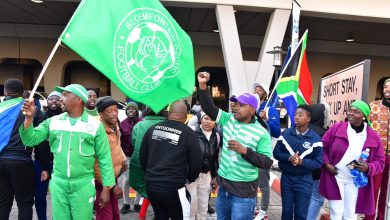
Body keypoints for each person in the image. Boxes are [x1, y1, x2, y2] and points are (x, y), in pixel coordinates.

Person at [19, 84, 115, 219]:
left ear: (78, 99)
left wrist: (106, 188)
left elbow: (104, 158)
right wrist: (29, 118)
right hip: (58, 185)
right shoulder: (53, 122)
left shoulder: (95, 126)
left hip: (83, 186)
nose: (60, 98)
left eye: (65, 95)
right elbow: (30, 140)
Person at [198, 72, 273, 219]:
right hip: (224, 188)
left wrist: (244, 151)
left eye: (241, 105)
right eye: (236, 104)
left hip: (244, 193)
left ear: (252, 110)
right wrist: (202, 84)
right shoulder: (229, 119)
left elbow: (267, 162)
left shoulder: (261, 132)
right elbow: (208, 107)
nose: (236, 107)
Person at [319, 100, 385, 220]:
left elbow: (380, 162)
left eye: (356, 112)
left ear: (364, 116)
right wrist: (327, 163)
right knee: (336, 210)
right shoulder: (337, 128)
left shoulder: (373, 136)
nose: (351, 113)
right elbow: (321, 148)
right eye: (350, 110)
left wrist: (368, 167)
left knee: (351, 213)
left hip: (356, 180)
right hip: (336, 176)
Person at [140, 100, 203, 220]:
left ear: (168, 113)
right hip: (174, 187)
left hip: (152, 186)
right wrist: (189, 178)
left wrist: (151, 175)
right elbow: (196, 163)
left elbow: (142, 157)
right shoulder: (189, 134)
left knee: (160, 215)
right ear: (185, 116)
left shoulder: (153, 129)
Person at [0, 79, 43, 220]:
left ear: (5, 91)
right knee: (24, 203)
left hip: (1, 160)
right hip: (21, 160)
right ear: (21, 91)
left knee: (2, 203)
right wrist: (43, 164)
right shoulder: (29, 108)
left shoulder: (1, 108)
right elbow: (40, 140)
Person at [273, 105, 323, 220]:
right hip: (287, 178)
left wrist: (302, 162)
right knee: (286, 212)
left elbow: (318, 162)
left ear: (308, 119)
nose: (296, 117)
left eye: (300, 115)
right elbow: (276, 153)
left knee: (301, 214)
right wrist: (289, 158)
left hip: (304, 180)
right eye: (295, 114)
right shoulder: (286, 134)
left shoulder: (315, 139)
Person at [94, 96, 127, 220]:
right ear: (101, 114)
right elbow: (96, 164)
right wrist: (112, 187)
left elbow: (117, 146)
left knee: (115, 214)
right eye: (110, 111)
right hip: (102, 182)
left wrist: (123, 159)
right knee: (105, 215)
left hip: (114, 177)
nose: (114, 114)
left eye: (116, 110)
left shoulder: (114, 127)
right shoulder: (98, 131)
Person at [129, 107, 166, 220]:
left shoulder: (139, 125)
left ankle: (141, 216)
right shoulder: (167, 125)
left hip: (141, 163)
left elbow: (134, 142)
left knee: (146, 191)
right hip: (161, 164)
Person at [252, 82, 281, 220]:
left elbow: (276, 132)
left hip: (263, 152)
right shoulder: (251, 107)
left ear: (266, 93)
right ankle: (253, 208)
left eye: (260, 89)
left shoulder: (270, 109)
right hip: (249, 151)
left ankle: (263, 211)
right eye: (255, 89)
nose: (257, 91)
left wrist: (266, 119)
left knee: (263, 183)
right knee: (250, 182)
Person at [33, 91, 63, 220]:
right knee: (39, 195)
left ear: (61, 102)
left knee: (61, 196)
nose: (54, 101)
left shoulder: (66, 119)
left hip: (60, 164)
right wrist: (44, 166)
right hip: (41, 163)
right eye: (51, 99)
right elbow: (38, 142)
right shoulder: (41, 117)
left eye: (57, 99)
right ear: (47, 102)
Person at [187, 112, 220, 220]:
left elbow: (215, 158)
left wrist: (215, 176)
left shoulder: (217, 136)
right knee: (191, 208)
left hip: (207, 176)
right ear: (201, 119)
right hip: (191, 176)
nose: (208, 122)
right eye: (206, 118)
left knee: (203, 207)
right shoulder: (191, 131)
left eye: (212, 119)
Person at [367, 78, 390, 220]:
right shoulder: (373, 106)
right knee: (374, 190)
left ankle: (381, 217)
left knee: (387, 191)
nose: (387, 89)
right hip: (377, 156)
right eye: (386, 86)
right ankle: (369, 217)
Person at [306, 103, 330, 220]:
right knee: (316, 199)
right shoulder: (323, 133)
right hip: (317, 173)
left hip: (302, 172)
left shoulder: (302, 128)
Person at [119, 102, 142, 214]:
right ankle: (126, 203)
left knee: (138, 180)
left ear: (137, 111)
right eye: (128, 109)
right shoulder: (122, 124)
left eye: (133, 109)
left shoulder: (142, 123)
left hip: (139, 156)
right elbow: (120, 141)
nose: (130, 111)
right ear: (126, 111)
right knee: (127, 179)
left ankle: (137, 203)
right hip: (127, 156)